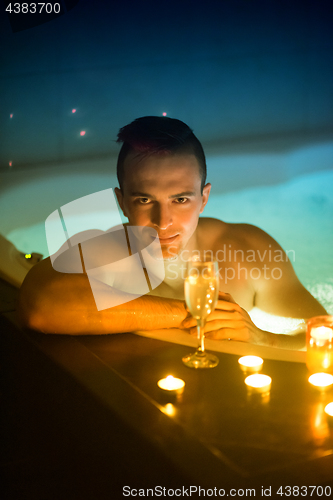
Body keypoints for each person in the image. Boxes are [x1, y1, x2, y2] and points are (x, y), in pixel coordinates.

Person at [18, 116, 326, 349]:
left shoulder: (246, 248)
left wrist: (262, 338)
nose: (162, 221)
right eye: (144, 199)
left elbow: (322, 332)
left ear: (203, 198)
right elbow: (39, 306)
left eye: (180, 200)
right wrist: (192, 312)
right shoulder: (108, 252)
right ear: (121, 202)